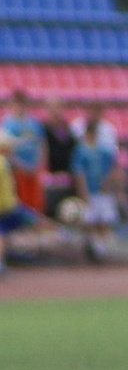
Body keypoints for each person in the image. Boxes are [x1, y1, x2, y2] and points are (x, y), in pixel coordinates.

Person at [0, 129, 35, 277]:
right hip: (4, 206)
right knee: (31, 221)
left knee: (4, 233)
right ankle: (62, 234)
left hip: (3, 205)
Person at [71, 102, 120, 262]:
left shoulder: (104, 151)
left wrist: (109, 184)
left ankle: (103, 248)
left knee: (105, 219)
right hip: (90, 191)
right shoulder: (81, 152)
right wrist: (83, 191)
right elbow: (79, 173)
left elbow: (113, 167)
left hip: (102, 191)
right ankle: (95, 247)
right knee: (89, 220)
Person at [0, 90, 48, 217]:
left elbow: (41, 144)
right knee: (20, 201)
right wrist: (19, 164)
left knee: (35, 201)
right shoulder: (8, 124)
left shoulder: (34, 123)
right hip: (17, 169)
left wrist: (40, 163)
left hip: (33, 168)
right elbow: (5, 148)